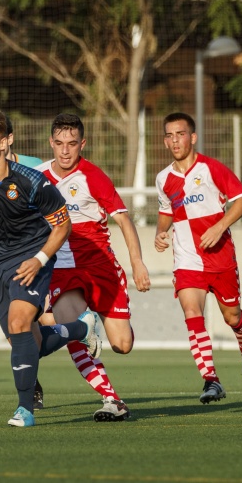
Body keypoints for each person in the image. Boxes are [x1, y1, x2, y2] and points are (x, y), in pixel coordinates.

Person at [0, 105, 100, 428]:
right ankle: (81, 328)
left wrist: (39, 259)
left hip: (31, 257)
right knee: (24, 341)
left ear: (5, 142)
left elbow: (62, 224)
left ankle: (25, 409)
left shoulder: (31, 181)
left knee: (19, 319)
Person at [36, 113, 151, 421]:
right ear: (51, 142)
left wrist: (137, 262)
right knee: (71, 329)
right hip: (62, 269)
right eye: (59, 143)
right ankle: (112, 400)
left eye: (72, 144)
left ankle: (100, 322)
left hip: (100, 267)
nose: (65, 150)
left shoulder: (93, 177)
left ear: (82, 144)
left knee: (122, 345)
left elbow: (124, 220)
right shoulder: (37, 177)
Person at [154, 112, 242, 404]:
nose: (175, 140)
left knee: (233, 317)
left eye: (180, 134)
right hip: (187, 260)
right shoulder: (163, 178)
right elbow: (166, 213)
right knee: (192, 314)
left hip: (220, 258)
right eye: (170, 135)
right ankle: (211, 380)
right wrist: (160, 233)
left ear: (193, 137)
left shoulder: (212, 169)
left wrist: (220, 225)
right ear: (165, 140)